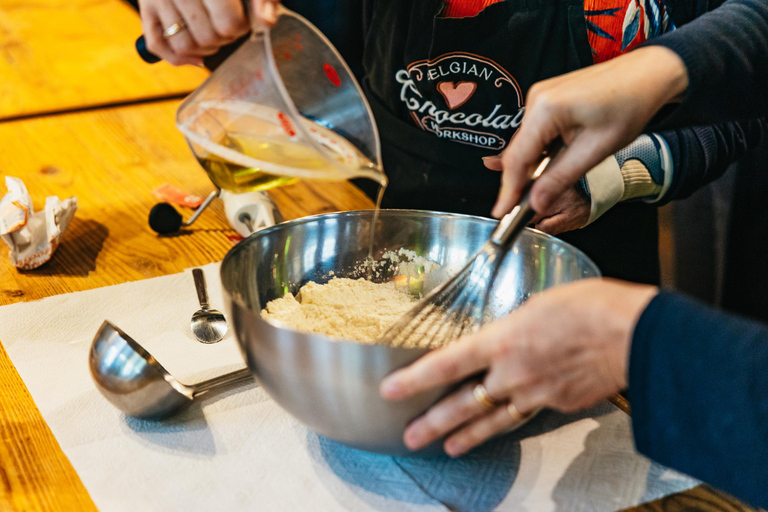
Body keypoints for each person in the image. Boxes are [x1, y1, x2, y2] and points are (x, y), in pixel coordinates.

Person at [378, 0, 768, 508]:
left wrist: (613, 172)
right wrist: (666, 66)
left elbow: (739, 111)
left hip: (588, 337)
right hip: (400, 270)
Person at [139, 0, 765, 288]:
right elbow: (283, 36)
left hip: (586, 286)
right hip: (384, 260)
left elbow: (739, 109)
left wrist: (613, 175)